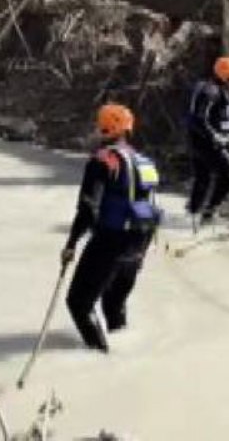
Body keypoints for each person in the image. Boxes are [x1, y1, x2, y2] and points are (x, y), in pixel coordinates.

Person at [61, 103, 162, 353]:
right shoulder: (144, 162)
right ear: (128, 128)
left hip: (111, 240)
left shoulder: (102, 161)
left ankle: (101, 358)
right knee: (113, 303)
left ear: (103, 127)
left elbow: (88, 207)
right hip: (140, 241)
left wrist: (71, 244)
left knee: (79, 303)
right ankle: (125, 358)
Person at [185, 56, 229, 224]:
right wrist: (214, 137)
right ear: (228, 76)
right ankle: (208, 213)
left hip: (210, 142)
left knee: (204, 177)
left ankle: (194, 213)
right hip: (206, 143)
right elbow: (198, 118)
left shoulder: (221, 92)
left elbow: (225, 117)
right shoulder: (211, 92)